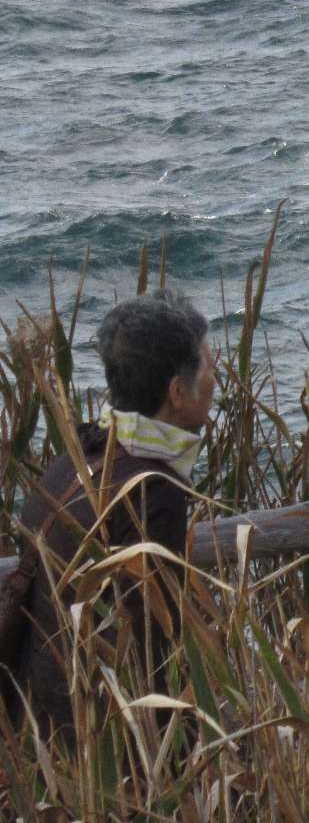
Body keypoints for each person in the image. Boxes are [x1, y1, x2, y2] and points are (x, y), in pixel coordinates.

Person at [2, 290, 215, 737]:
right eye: (208, 366)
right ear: (177, 391)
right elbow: (148, 648)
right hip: (98, 736)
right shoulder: (153, 492)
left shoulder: (80, 453)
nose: (215, 378)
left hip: (37, 714)